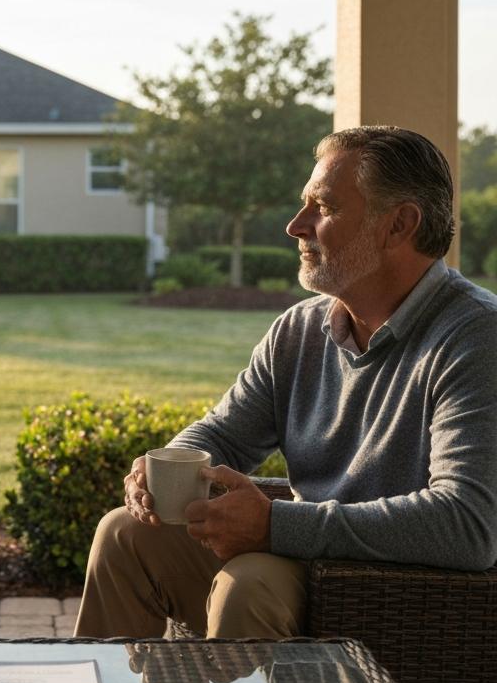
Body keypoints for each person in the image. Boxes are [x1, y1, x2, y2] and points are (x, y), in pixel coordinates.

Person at [75, 125, 497, 639]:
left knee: (247, 583)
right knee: (123, 533)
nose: (296, 226)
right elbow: (222, 436)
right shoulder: (300, 330)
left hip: (404, 594)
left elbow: (467, 524)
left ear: (399, 225)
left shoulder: (476, 337)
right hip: (304, 554)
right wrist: (163, 472)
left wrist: (276, 527)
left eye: (324, 208)